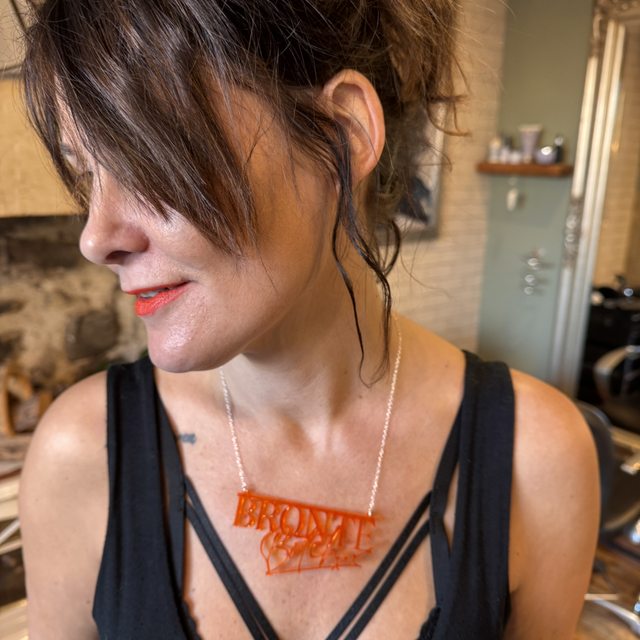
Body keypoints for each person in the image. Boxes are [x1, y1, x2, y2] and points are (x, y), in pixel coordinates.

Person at [18, 1, 599, 639]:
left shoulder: (536, 460)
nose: (95, 238)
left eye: (144, 156)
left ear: (343, 135)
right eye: (87, 173)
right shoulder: (81, 456)